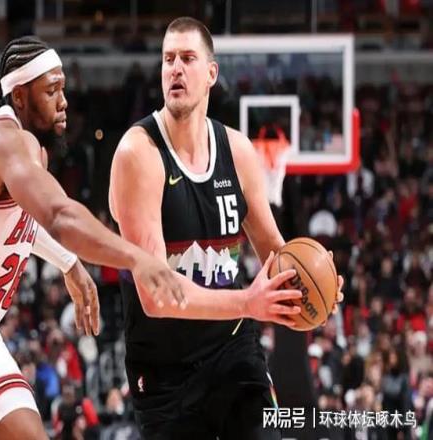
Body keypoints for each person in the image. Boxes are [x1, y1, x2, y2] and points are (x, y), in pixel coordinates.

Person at [0, 36, 184, 440]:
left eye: (63, 88)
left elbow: (26, 224)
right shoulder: (4, 142)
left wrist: (70, 263)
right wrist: (136, 257)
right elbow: (59, 216)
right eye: (51, 91)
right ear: (19, 96)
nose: (64, 101)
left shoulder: (33, 153)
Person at [109, 17, 344, 439]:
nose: (175, 69)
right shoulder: (138, 154)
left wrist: (315, 284)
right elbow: (155, 297)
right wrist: (247, 302)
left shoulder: (237, 150)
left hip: (234, 352)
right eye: (168, 59)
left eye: (187, 58)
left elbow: (274, 249)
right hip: (165, 372)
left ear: (211, 73)